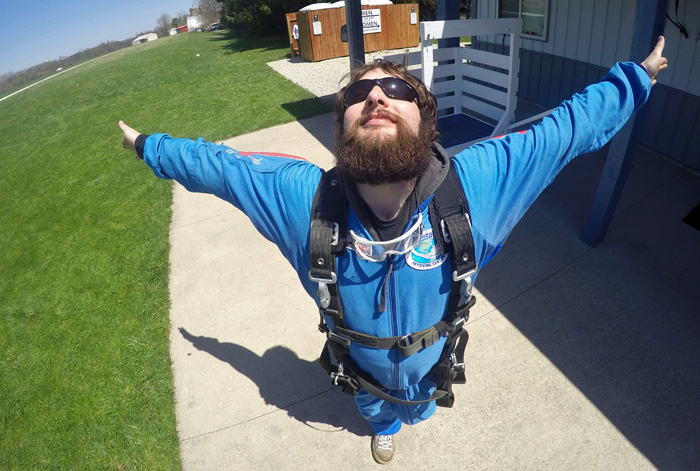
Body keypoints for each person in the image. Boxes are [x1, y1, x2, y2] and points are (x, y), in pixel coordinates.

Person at [119, 36, 667, 465]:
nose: (376, 96)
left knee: (425, 403)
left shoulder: (479, 187)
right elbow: (221, 169)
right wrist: (148, 146)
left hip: (436, 366)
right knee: (377, 408)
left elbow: (564, 130)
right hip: (361, 374)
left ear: (426, 123)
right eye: (357, 94)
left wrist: (634, 80)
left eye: (398, 91)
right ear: (342, 127)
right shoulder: (302, 201)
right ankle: (383, 428)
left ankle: (418, 410)